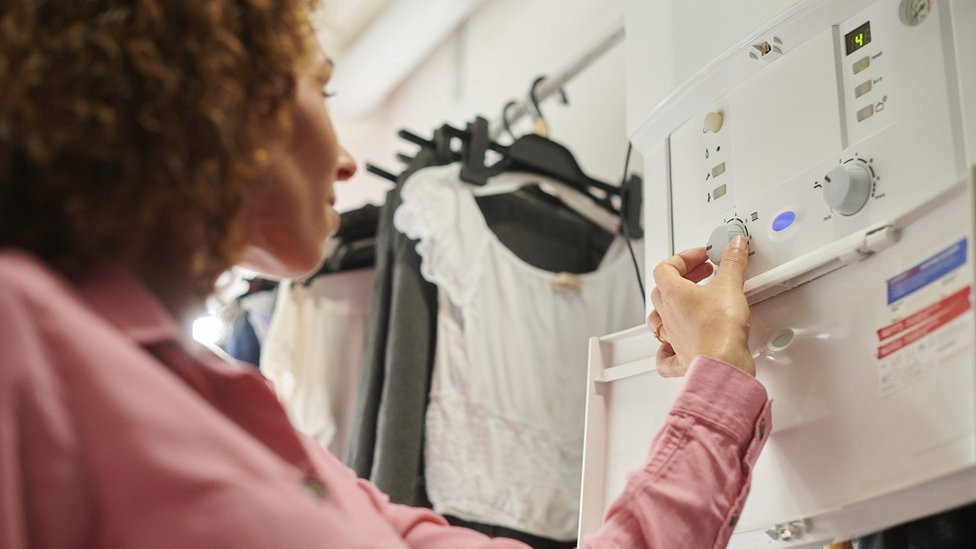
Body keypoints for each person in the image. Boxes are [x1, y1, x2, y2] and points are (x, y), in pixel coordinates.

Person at [0, 1, 769, 547]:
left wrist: (717, 375)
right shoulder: (22, 339)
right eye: (321, 88)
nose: (347, 158)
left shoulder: (269, 437)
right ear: (215, 91)